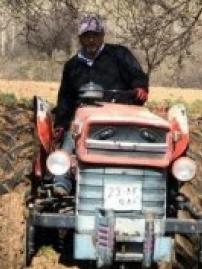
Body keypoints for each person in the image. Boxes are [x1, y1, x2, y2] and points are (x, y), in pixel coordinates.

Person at [52, 14, 149, 195]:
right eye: (86, 36)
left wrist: (140, 87)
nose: (91, 40)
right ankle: (62, 182)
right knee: (68, 144)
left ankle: (143, 182)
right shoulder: (72, 66)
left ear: (102, 35)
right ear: (80, 38)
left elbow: (137, 74)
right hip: (85, 117)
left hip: (120, 113)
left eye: (95, 35)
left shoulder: (119, 55)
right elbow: (65, 97)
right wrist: (60, 123)